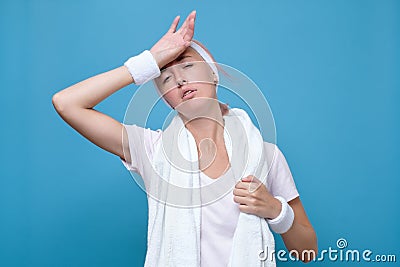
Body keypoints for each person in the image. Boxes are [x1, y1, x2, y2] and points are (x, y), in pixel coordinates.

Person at [52, 10, 317, 266]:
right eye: (165, 77)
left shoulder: (265, 155)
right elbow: (66, 103)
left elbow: (308, 252)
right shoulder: (152, 151)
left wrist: (276, 210)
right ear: (165, 99)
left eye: (188, 65)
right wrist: (147, 62)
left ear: (213, 73)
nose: (179, 79)